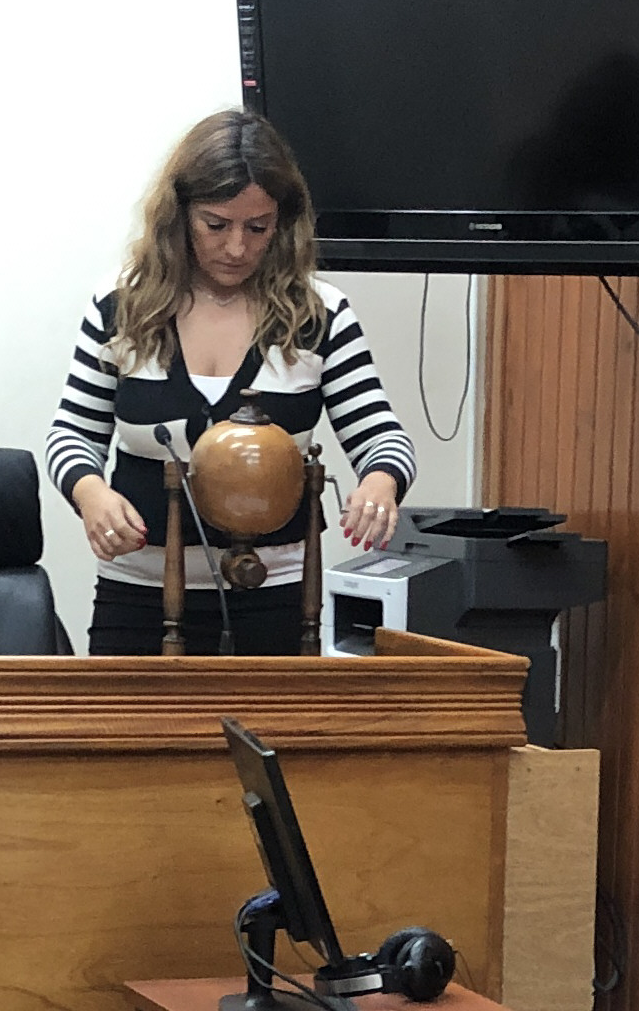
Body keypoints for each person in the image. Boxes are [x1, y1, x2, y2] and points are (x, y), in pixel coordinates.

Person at [45, 110, 418, 657]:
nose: (237, 247)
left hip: (278, 599)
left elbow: (384, 438)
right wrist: (90, 493)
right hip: (139, 597)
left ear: (282, 224)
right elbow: (71, 435)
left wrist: (381, 482)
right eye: (216, 225)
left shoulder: (320, 315)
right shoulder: (121, 307)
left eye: (258, 228)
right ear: (179, 216)